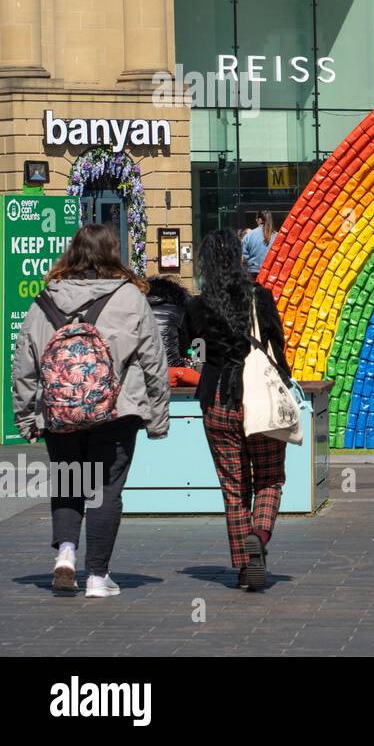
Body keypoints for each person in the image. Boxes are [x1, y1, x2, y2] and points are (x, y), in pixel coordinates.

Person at [12, 224, 170, 599]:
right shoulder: (131, 297)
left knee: (69, 484)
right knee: (105, 489)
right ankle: (98, 577)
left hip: (60, 415)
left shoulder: (44, 300)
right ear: (113, 253)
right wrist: (158, 420)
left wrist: (25, 418)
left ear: (73, 253)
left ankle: (65, 556)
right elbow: (154, 361)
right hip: (117, 413)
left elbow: (25, 364)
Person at [180, 229, 292, 592]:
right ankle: (259, 537)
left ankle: (245, 568)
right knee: (270, 477)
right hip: (258, 400)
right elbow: (276, 344)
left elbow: (187, 348)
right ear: (239, 258)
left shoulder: (197, 305)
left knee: (233, 486)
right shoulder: (260, 297)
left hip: (217, 402)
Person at [146, 275, 193, 370]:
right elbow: (185, 345)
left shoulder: (141, 306)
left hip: (145, 368)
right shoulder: (178, 309)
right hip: (172, 366)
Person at [240, 210, 276, 278]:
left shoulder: (249, 235)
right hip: (271, 276)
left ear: (259, 220)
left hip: (253, 274)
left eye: (256, 219)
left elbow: (243, 257)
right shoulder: (276, 236)